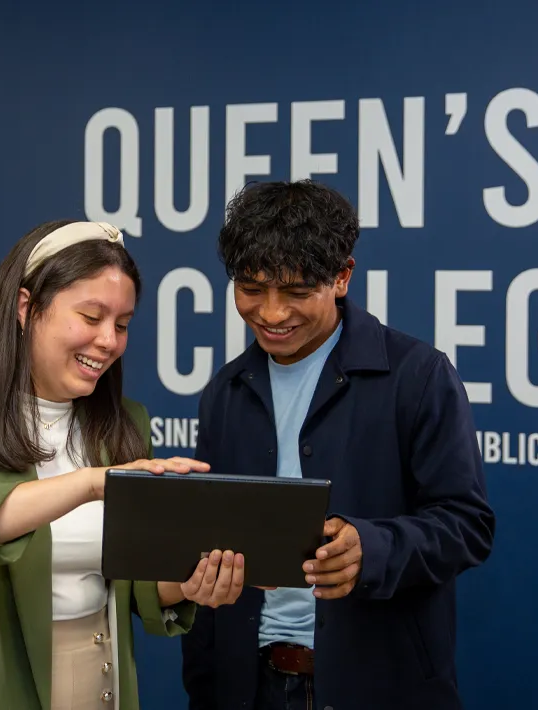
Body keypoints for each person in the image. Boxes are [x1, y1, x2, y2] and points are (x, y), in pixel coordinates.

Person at [0, 220, 245, 710]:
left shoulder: (124, 423)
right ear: (25, 307)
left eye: (121, 325)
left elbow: (134, 582)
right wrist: (90, 485)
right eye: (91, 317)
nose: (108, 341)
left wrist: (193, 582)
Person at [180, 180, 496, 710]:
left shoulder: (417, 376)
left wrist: (371, 548)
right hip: (246, 687)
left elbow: (468, 524)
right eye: (251, 289)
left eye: (297, 292)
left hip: (376, 686)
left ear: (342, 276)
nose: (272, 313)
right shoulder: (224, 392)